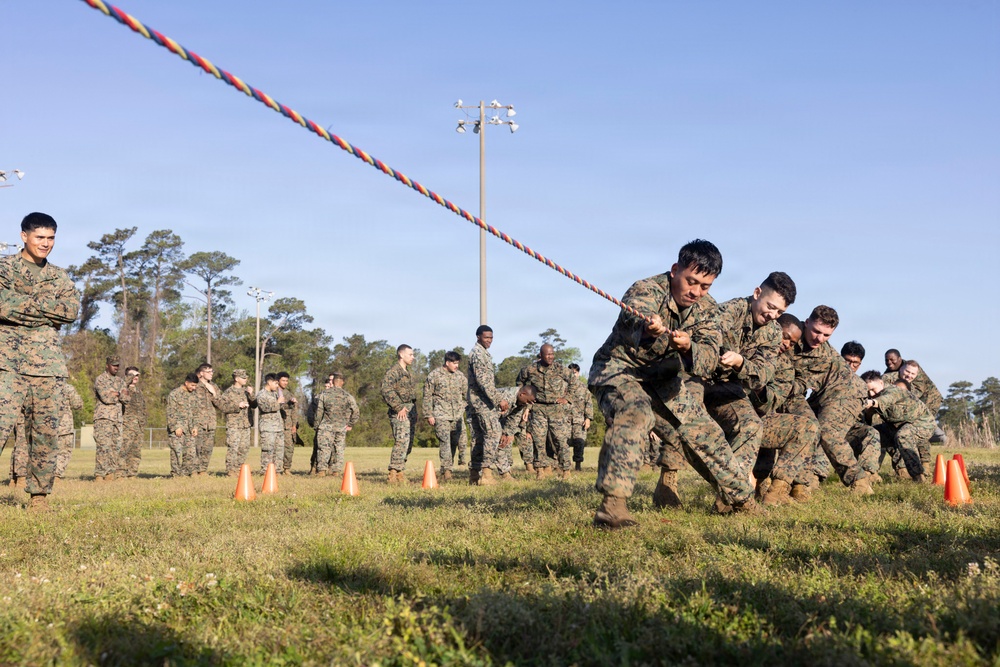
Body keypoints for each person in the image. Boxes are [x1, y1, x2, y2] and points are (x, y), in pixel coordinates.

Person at [588, 239, 757, 528]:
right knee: (635, 411)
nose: (695, 292)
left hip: (664, 378)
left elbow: (708, 357)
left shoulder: (708, 309)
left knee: (704, 432)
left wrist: (690, 347)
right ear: (675, 270)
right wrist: (647, 328)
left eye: (705, 286)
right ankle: (612, 508)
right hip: (619, 370)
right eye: (691, 281)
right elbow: (631, 317)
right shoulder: (646, 289)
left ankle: (742, 501)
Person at [0, 212, 80, 509]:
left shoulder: (60, 275)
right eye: (40, 237)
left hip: (47, 366)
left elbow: (70, 311)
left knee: (46, 433)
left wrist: (23, 306)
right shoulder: (4, 267)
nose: (46, 243)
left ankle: (39, 497)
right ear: (24, 236)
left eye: (51, 238)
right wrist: (48, 311)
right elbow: (2, 304)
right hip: (6, 362)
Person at [701, 271, 796, 492]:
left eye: (780, 311)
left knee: (751, 425)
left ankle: (734, 495)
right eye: (771, 307)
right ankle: (669, 482)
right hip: (699, 381)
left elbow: (763, 373)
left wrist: (741, 363)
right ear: (757, 293)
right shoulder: (726, 313)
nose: (773, 315)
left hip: (729, 389)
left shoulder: (773, 333)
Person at [786, 306, 874, 495]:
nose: (819, 339)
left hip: (847, 391)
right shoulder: (790, 331)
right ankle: (802, 482)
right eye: (816, 331)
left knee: (826, 431)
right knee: (806, 428)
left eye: (826, 335)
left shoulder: (824, 355)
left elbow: (798, 385)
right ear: (806, 322)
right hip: (821, 393)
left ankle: (859, 482)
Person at [748, 314, 820, 504]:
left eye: (792, 342)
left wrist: (760, 388)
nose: (787, 344)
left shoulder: (785, 368)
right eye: (785, 336)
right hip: (724, 412)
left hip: (757, 419)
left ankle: (778, 490)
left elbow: (771, 402)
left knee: (807, 426)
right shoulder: (747, 344)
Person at [861, 371, 934, 482]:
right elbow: (869, 419)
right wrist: (868, 412)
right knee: (869, 433)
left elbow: (885, 400)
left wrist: (871, 403)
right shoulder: (873, 396)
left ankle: (918, 476)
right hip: (897, 426)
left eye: (873, 389)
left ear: (881, 383)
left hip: (922, 424)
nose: (871, 394)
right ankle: (869, 474)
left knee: (903, 435)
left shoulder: (894, 390)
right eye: (868, 391)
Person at [518, 344, 576, 479]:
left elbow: (574, 382)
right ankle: (540, 471)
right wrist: (526, 400)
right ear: (541, 355)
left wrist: (567, 398)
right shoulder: (530, 370)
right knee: (539, 441)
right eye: (547, 354)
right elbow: (519, 383)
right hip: (538, 409)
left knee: (561, 440)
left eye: (552, 354)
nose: (550, 357)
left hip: (556, 409)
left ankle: (566, 470)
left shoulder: (560, 369)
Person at [466, 326, 511, 486]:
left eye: (491, 338)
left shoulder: (482, 353)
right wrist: (498, 399)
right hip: (482, 402)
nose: (489, 340)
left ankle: (474, 476)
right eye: (486, 337)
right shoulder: (478, 354)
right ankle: (486, 474)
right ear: (478, 337)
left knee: (479, 439)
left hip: (479, 401)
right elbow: (484, 381)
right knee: (493, 434)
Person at [423, 351, 469, 481]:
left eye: (458, 363)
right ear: (447, 362)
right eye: (454, 363)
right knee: (445, 442)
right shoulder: (434, 375)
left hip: (457, 416)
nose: (456, 366)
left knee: (455, 443)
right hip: (441, 415)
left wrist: (464, 407)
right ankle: (447, 470)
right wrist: (429, 414)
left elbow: (468, 395)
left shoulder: (460, 376)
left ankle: (447, 468)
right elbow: (427, 396)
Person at [381, 344, 418, 484]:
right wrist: (398, 407)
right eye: (410, 355)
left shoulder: (407, 372)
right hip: (400, 412)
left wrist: (415, 411)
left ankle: (400, 471)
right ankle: (393, 473)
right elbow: (386, 390)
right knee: (401, 441)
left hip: (410, 411)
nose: (413, 357)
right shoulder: (393, 372)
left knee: (408, 443)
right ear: (401, 355)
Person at [314, 371, 360, 476]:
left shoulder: (324, 394)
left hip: (326, 426)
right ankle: (336, 471)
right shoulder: (348, 396)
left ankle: (321, 470)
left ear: (333, 382)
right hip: (341, 427)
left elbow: (319, 411)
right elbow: (356, 412)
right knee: (339, 448)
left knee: (324, 448)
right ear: (342, 382)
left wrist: (317, 425)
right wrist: (350, 424)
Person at [900, 359, 948, 449]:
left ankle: (940, 439)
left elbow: (918, 391)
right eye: (887, 361)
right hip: (919, 400)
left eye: (912, 374)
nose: (909, 375)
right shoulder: (897, 366)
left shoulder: (917, 375)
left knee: (922, 425)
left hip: (931, 399)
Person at [93, 355, 127, 481]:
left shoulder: (120, 381)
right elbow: (106, 398)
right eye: (114, 365)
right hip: (104, 417)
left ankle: (110, 473)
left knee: (116, 446)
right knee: (103, 446)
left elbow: (127, 398)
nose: (116, 368)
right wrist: (120, 394)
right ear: (107, 365)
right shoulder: (100, 379)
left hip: (118, 418)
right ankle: (99, 474)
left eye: (118, 365)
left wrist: (116, 393)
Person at [217, 368, 256, 476]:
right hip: (234, 424)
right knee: (233, 447)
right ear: (236, 378)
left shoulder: (246, 391)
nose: (245, 379)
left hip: (246, 424)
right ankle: (230, 470)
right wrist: (237, 406)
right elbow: (222, 407)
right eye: (243, 377)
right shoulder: (228, 392)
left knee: (244, 447)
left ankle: (239, 468)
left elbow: (254, 405)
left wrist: (251, 394)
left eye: (246, 377)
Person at [166, 373, 201, 477]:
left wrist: (195, 427)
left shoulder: (193, 396)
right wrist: (176, 427)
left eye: (195, 386)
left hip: (190, 429)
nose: (194, 388)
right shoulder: (174, 394)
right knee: (176, 452)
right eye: (192, 385)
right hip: (178, 428)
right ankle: (176, 474)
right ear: (186, 383)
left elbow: (196, 412)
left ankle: (185, 474)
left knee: (190, 453)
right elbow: (170, 412)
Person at [194, 363, 222, 475]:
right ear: (201, 373)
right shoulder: (194, 385)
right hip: (197, 422)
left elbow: (220, 404)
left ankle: (203, 470)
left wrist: (214, 393)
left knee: (207, 448)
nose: (211, 374)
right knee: (195, 447)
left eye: (212, 371)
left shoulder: (213, 386)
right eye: (208, 371)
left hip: (210, 423)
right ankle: (193, 470)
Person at [119, 366, 147, 478]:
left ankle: (132, 473)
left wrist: (143, 422)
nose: (135, 377)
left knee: (136, 451)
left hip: (138, 426)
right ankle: (120, 473)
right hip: (126, 425)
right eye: (132, 375)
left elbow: (143, 408)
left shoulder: (139, 392)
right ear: (127, 376)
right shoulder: (123, 389)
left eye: (137, 375)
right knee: (123, 450)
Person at [256, 373, 285, 475]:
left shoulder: (274, 394)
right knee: (268, 451)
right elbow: (265, 408)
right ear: (269, 382)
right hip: (268, 427)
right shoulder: (261, 395)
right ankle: (265, 472)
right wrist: (278, 402)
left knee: (279, 451)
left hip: (278, 427)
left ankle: (278, 471)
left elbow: (279, 407)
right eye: (276, 383)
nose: (277, 386)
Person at [54, 380, 84, 479]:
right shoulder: (67, 387)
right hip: (64, 426)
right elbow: (77, 404)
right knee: (63, 451)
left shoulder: (42, 385)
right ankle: (56, 475)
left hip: (44, 425)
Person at [567, 363, 593, 472]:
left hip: (579, 420)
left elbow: (589, 403)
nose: (573, 375)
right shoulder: (562, 386)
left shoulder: (583, 388)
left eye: (575, 372)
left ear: (578, 373)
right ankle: (563, 467)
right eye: (571, 373)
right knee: (561, 443)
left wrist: (588, 418)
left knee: (579, 443)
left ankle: (578, 466)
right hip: (564, 421)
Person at [277, 371, 299, 474]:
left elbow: (294, 411)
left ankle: (287, 468)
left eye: (286, 381)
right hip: (276, 424)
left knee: (289, 447)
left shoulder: (289, 394)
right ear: (278, 381)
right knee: (275, 448)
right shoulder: (273, 392)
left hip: (287, 425)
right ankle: (274, 469)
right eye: (283, 380)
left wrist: (294, 425)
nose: (285, 382)